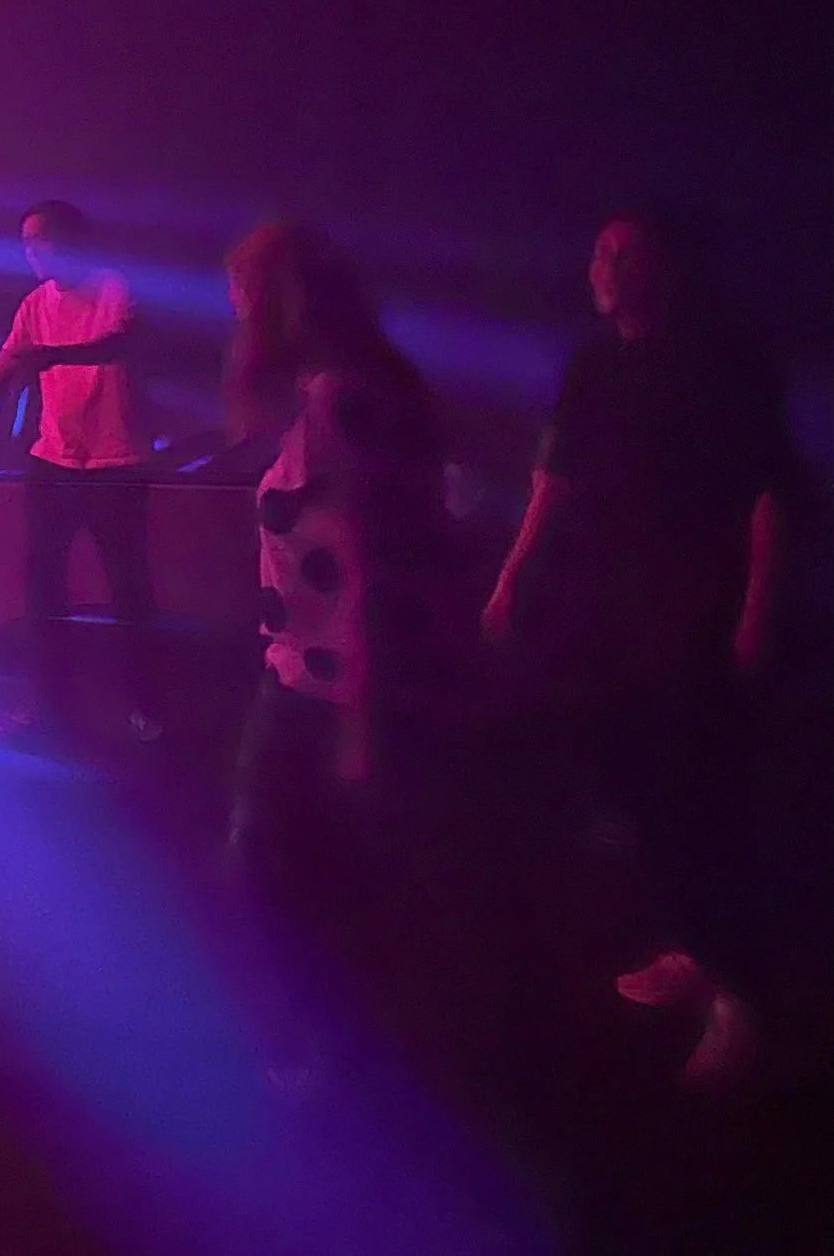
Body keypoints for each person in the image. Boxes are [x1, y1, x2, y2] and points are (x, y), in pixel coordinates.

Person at [481, 210, 794, 1085]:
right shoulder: (593, 367)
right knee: (636, 778)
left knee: (702, 795)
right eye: (598, 250)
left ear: (667, 266)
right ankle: (698, 944)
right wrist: (512, 573)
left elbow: (768, 493)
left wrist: (757, 606)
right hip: (612, 608)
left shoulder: (724, 366)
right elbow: (553, 480)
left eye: (623, 252)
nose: (604, 264)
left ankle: (741, 994)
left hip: (695, 606)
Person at [223, 221, 463, 1046]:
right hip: (348, 670)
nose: (233, 307)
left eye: (244, 291)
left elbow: (368, 559)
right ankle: (360, 1046)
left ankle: (327, 1049)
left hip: (337, 679)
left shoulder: (339, 401)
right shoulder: (371, 382)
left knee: (281, 864)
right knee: (341, 872)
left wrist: (360, 719)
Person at [0, 200, 163, 741]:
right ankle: (50, 706)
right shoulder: (34, 306)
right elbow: (6, 369)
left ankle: (146, 706)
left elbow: (126, 341)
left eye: (44, 238)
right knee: (43, 589)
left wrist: (51, 358)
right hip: (54, 458)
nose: (34, 251)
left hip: (118, 461)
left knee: (128, 590)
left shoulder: (116, 287)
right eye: (27, 241)